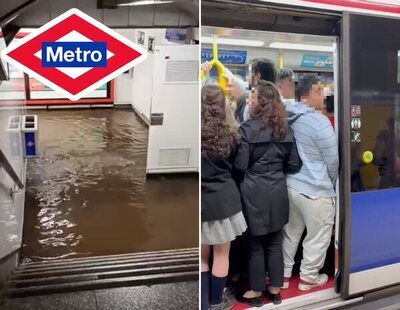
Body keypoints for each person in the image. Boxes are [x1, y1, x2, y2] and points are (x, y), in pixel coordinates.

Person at [235, 80, 302, 307]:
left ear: (259, 102)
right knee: (275, 240)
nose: (251, 100)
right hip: (278, 189)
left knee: (255, 243)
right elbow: (293, 164)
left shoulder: (247, 128)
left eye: (253, 97)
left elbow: (241, 164)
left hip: (254, 190)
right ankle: (275, 290)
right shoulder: (286, 128)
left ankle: (256, 293)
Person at [282, 75, 339, 291]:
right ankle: (308, 278)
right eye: (318, 91)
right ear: (306, 94)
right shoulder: (319, 121)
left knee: (290, 232)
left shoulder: (287, 115)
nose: (322, 95)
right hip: (316, 190)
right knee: (318, 236)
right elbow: (332, 159)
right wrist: (331, 183)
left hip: (291, 186)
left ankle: (284, 276)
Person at [201, 85, 248, 310]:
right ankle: (216, 302)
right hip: (225, 202)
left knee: (202, 256)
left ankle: (201, 302)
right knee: (221, 254)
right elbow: (240, 167)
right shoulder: (231, 133)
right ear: (223, 106)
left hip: (201, 204)